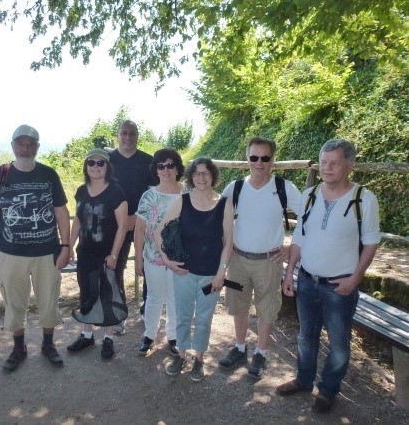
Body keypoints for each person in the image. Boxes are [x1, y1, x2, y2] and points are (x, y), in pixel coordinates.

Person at [277, 139, 381, 413]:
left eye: (334, 163)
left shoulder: (364, 199)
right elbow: (300, 235)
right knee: (305, 336)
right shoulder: (309, 195)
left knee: (339, 344)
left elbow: (371, 243)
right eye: (323, 162)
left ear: (349, 166)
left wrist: (354, 279)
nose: (327, 168)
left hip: (340, 286)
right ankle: (303, 380)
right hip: (308, 280)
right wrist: (290, 274)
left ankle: (328, 391)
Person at [0, 124, 71, 373]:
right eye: (21, 143)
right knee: (14, 302)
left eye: (31, 144)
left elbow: (61, 212)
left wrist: (65, 246)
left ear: (37, 147)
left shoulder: (48, 174)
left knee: (49, 300)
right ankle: (19, 347)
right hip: (10, 253)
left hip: (46, 252)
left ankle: (48, 344)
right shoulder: (1, 175)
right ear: (13, 146)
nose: (26, 148)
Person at [218, 137, 301, 378]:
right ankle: (241, 348)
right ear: (247, 159)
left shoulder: (285, 188)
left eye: (265, 158)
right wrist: (225, 243)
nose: (259, 163)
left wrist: (292, 246)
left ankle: (261, 353)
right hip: (238, 261)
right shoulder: (235, 188)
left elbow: (308, 217)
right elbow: (219, 219)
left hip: (270, 262)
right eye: (254, 157)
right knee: (238, 304)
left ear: (272, 160)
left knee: (267, 309)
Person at [154, 157, 233, 382]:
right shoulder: (182, 201)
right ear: (190, 176)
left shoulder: (224, 203)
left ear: (213, 176)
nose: (201, 177)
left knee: (204, 317)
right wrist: (167, 261)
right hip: (184, 272)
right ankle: (181, 354)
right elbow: (160, 230)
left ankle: (198, 358)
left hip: (211, 274)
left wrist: (221, 272)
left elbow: (228, 242)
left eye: (206, 173)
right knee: (183, 315)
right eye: (197, 173)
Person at [66, 149, 128, 359]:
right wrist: (69, 245)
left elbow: (122, 226)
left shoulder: (116, 192)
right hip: (85, 252)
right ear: (86, 167)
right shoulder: (82, 191)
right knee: (86, 292)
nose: (96, 166)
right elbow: (78, 221)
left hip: (106, 254)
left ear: (107, 166)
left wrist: (114, 255)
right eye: (91, 163)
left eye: (101, 163)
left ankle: (108, 338)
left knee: (107, 295)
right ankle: (87, 334)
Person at [134, 148, 184, 356]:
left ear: (178, 168)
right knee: (154, 297)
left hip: (179, 259)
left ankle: (173, 337)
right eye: (161, 166)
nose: (166, 170)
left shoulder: (188, 194)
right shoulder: (149, 196)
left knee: (174, 298)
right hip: (153, 258)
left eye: (170, 165)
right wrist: (138, 257)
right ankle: (149, 335)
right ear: (155, 170)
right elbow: (140, 228)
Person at [108, 120, 156, 333]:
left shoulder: (148, 161)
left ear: (138, 136)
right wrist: (120, 220)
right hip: (114, 224)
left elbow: (155, 194)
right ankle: (119, 313)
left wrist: (137, 218)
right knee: (114, 268)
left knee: (148, 267)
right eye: (124, 133)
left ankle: (148, 309)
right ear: (117, 135)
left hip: (142, 222)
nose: (128, 137)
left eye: (132, 133)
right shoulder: (106, 161)